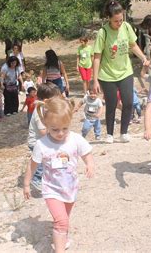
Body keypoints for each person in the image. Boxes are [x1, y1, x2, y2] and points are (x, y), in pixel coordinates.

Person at [23, 96, 94, 253]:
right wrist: (27, 184)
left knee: (65, 219)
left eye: (65, 128)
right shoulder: (42, 145)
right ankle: (59, 249)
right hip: (51, 190)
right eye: (55, 129)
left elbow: (86, 152)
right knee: (61, 221)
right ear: (46, 125)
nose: (60, 133)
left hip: (70, 188)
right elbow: (32, 165)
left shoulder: (75, 139)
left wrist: (89, 164)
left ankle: (62, 238)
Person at [92, 0, 150, 144]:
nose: (119, 23)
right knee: (111, 104)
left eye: (121, 19)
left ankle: (124, 132)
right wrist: (95, 80)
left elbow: (133, 45)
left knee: (129, 102)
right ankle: (110, 134)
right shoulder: (103, 32)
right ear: (109, 18)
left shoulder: (126, 27)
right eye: (116, 21)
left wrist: (143, 57)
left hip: (125, 72)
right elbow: (97, 57)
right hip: (107, 75)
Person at [27, 82, 62, 191]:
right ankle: (36, 179)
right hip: (37, 142)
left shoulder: (48, 108)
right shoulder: (39, 111)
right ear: (46, 101)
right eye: (56, 99)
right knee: (40, 162)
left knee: (53, 158)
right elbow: (42, 131)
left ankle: (55, 178)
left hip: (46, 141)